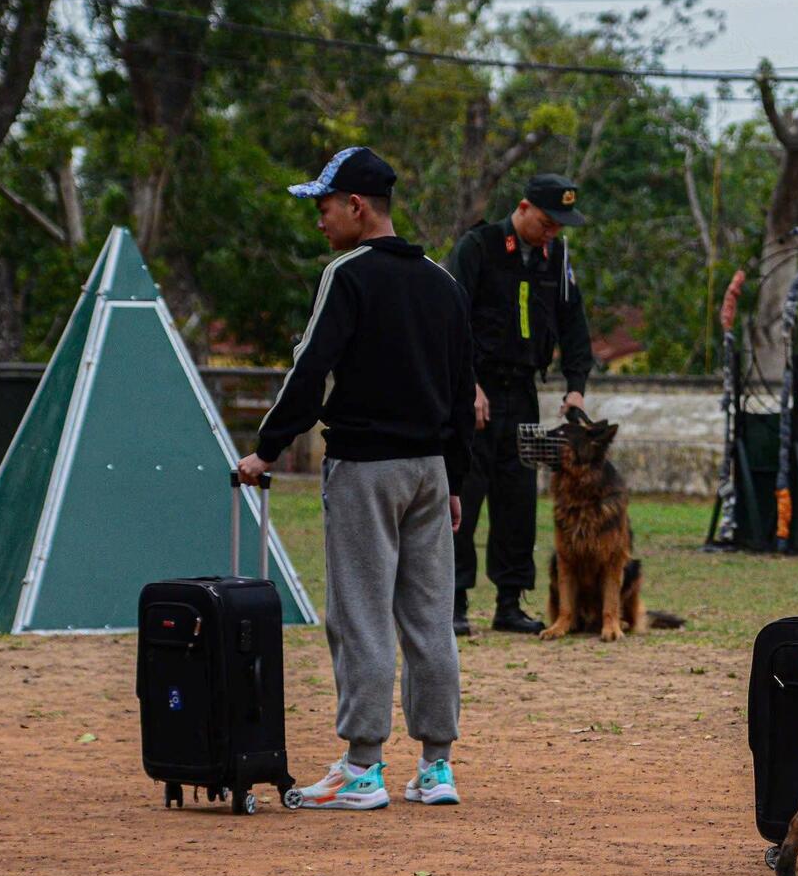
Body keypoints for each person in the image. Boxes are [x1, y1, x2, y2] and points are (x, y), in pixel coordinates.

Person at [239, 146, 474, 810]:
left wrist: (268, 449)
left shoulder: (347, 276)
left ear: (357, 207)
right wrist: (454, 478)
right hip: (430, 471)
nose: (319, 220)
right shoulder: (443, 283)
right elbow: (463, 393)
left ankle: (363, 768)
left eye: (324, 207)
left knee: (362, 614)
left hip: (365, 470)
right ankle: (436, 767)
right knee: (431, 619)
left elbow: (309, 371)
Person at [447, 174, 595, 635]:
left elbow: (574, 326)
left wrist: (576, 386)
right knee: (464, 497)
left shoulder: (557, 258)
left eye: (559, 227)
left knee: (517, 500)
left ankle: (509, 603)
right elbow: (449, 319)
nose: (552, 233)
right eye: (547, 223)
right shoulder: (479, 247)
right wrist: (466, 384)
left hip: (523, 393)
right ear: (524, 208)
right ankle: (453, 601)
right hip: (476, 393)